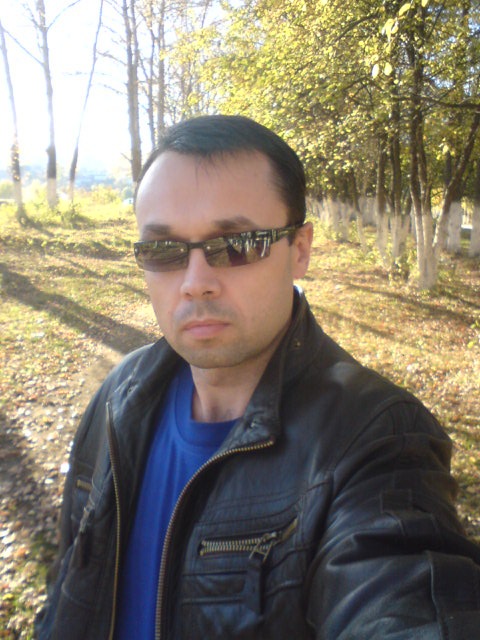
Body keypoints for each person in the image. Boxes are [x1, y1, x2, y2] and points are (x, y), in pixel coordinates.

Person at [36, 115, 480, 640]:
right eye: (163, 250)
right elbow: (68, 584)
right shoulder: (119, 398)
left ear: (300, 249)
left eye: (237, 244)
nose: (195, 283)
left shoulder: (374, 441)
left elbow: (400, 597)